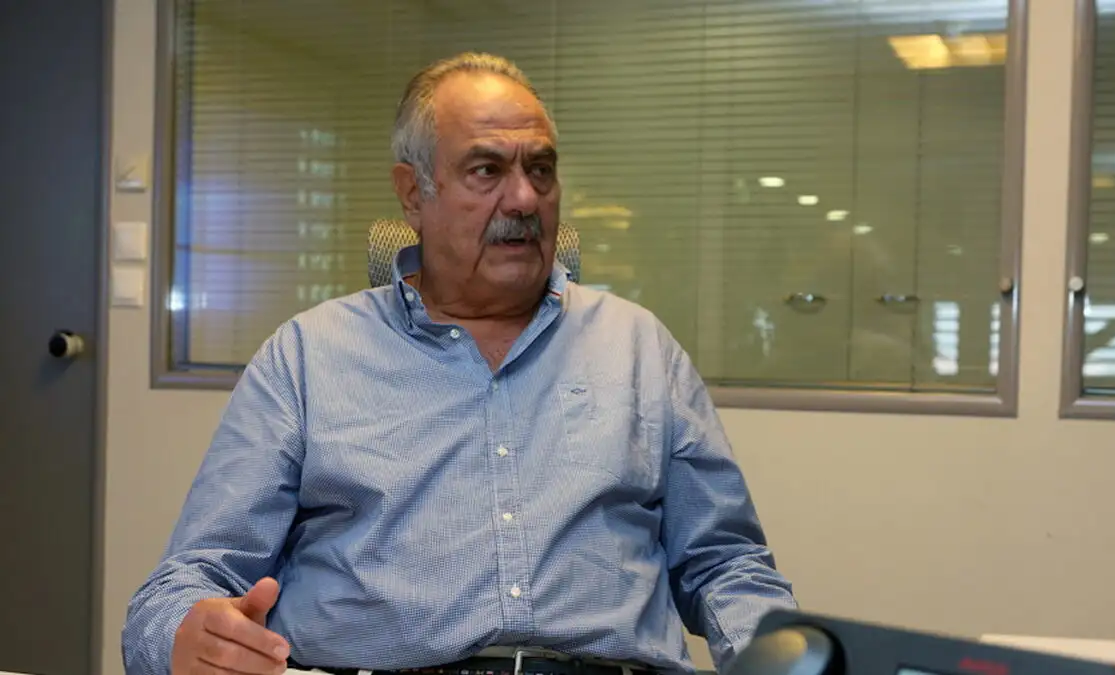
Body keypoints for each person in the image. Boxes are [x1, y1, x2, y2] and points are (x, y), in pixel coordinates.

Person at [123, 52, 797, 675]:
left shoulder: (638, 346)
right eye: (487, 170)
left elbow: (726, 563)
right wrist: (186, 635)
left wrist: (787, 661)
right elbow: (183, 584)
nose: (525, 199)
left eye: (540, 169)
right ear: (413, 193)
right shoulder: (307, 356)